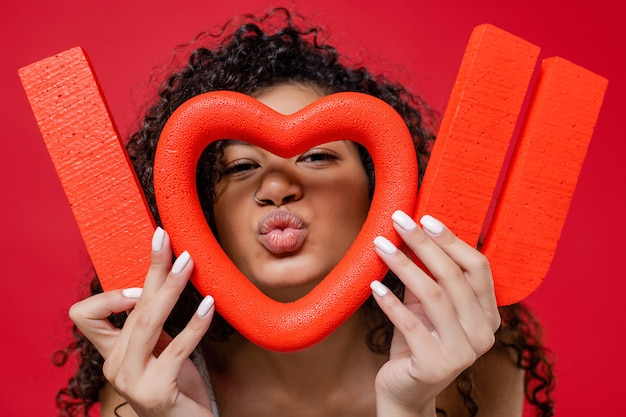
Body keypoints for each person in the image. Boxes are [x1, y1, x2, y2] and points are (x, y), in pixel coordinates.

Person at [54, 8, 554, 417]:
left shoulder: (472, 360)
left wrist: (409, 407)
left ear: (382, 192)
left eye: (317, 157)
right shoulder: (152, 379)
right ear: (199, 211)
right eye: (242, 165)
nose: (275, 187)